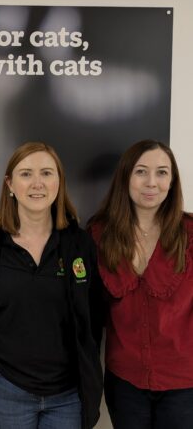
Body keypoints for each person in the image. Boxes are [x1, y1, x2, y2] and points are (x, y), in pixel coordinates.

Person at [0, 142, 103, 429]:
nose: (37, 183)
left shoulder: (80, 245)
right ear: (10, 184)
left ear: (59, 181)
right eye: (26, 174)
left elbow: (93, 320)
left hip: (68, 397)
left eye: (47, 173)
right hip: (5, 393)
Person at [88, 139, 193, 429]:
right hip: (125, 384)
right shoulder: (99, 234)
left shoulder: (190, 234)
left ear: (172, 181)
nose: (151, 182)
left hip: (184, 386)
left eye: (162, 172)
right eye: (141, 171)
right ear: (126, 177)